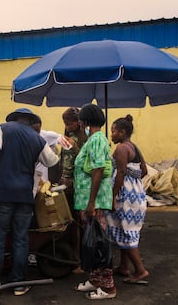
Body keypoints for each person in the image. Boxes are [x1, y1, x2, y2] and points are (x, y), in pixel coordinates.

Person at [0, 108, 59, 296]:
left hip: (3, 193)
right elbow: (52, 162)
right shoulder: (38, 139)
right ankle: (19, 284)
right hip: (25, 196)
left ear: (14, 119)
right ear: (30, 121)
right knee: (21, 240)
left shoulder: (3, 129)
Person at [73, 104, 116, 300]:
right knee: (91, 241)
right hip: (88, 200)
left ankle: (108, 287)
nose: (79, 123)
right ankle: (95, 279)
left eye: (81, 120)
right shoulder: (92, 139)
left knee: (99, 243)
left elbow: (98, 170)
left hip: (95, 201)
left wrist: (91, 202)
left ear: (87, 121)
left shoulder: (98, 139)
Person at [105, 114, 149, 285]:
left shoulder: (122, 149)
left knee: (126, 232)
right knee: (125, 230)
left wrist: (113, 196)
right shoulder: (134, 147)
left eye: (113, 131)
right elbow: (144, 170)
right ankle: (124, 266)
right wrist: (134, 181)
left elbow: (121, 174)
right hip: (136, 194)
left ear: (122, 132)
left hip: (125, 196)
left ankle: (140, 270)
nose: (111, 135)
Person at [59, 107, 87, 274]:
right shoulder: (66, 138)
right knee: (69, 223)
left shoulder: (85, 139)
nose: (67, 126)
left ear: (78, 122)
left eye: (69, 123)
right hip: (65, 182)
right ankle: (71, 257)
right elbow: (63, 159)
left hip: (79, 185)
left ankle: (79, 259)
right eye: (65, 124)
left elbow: (86, 161)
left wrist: (75, 146)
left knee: (78, 223)